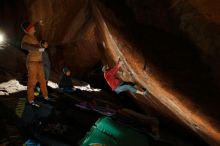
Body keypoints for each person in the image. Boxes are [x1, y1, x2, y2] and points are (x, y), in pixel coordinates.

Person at [21, 21, 51, 107]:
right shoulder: (26, 37)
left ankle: (46, 96)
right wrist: (37, 49)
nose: (34, 28)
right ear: (29, 29)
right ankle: (30, 100)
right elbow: (23, 45)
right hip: (32, 62)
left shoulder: (33, 37)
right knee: (32, 82)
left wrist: (42, 44)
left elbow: (38, 46)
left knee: (42, 80)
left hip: (39, 62)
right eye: (32, 27)